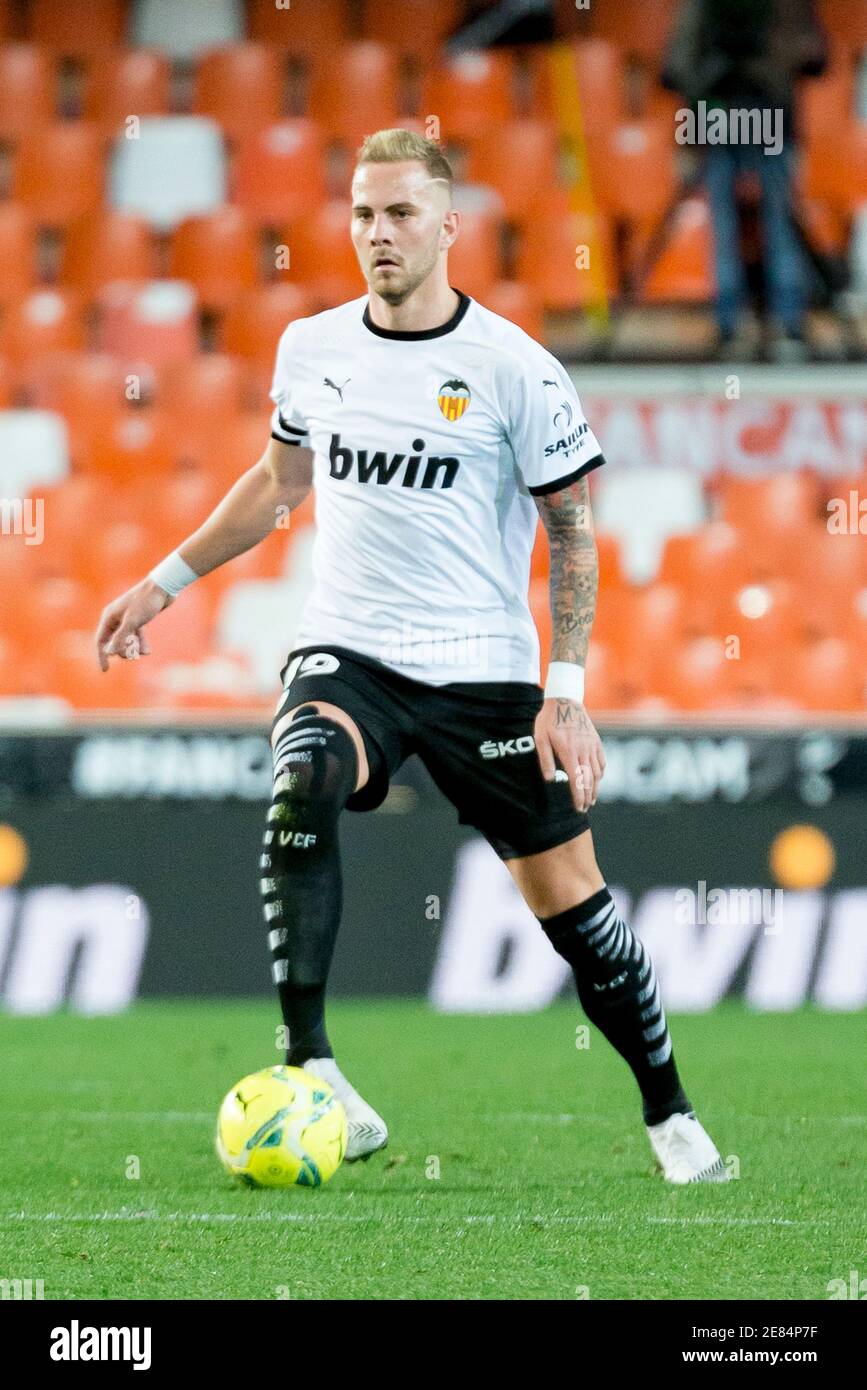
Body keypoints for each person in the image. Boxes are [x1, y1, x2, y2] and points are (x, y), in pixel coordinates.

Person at [95, 128, 728, 1184]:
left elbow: (571, 533)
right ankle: (314, 1064)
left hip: (481, 667)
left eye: (398, 214)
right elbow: (279, 484)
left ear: (448, 226)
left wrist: (564, 694)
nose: (376, 234)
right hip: (349, 649)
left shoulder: (515, 369)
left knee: (576, 909)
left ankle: (670, 1114)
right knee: (302, 778)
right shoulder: (312, 347)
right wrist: (164, 579)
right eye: (361, 214)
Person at [662, 0, 828, 360]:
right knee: (743, 224)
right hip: (735, 113)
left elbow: (815, 56)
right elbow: (678, 63)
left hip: (754, 112)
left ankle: (772, 324)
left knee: (773, 223)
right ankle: (749, 326)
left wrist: (730, 81)